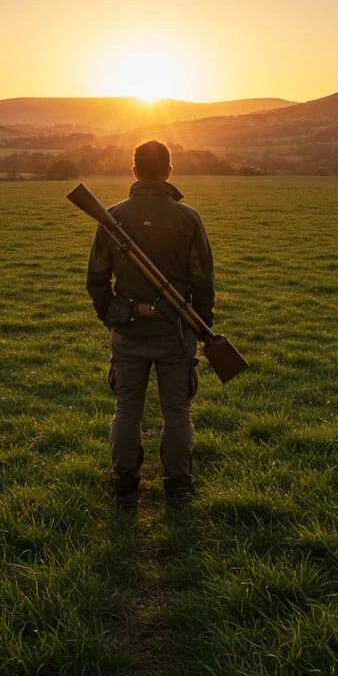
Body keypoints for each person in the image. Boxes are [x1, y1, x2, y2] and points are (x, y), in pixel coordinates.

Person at [85, 140, 215, 509]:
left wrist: (112, 316)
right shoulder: (188, 218)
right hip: (177, 332)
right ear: (170, 172)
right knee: (177, 410)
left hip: (127, 331)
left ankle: (124, 484)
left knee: (127, 409)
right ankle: (178, 485)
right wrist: (201, 327)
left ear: (135, 172)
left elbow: (96, 280)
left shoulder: (111, 216)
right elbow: (203, 281)